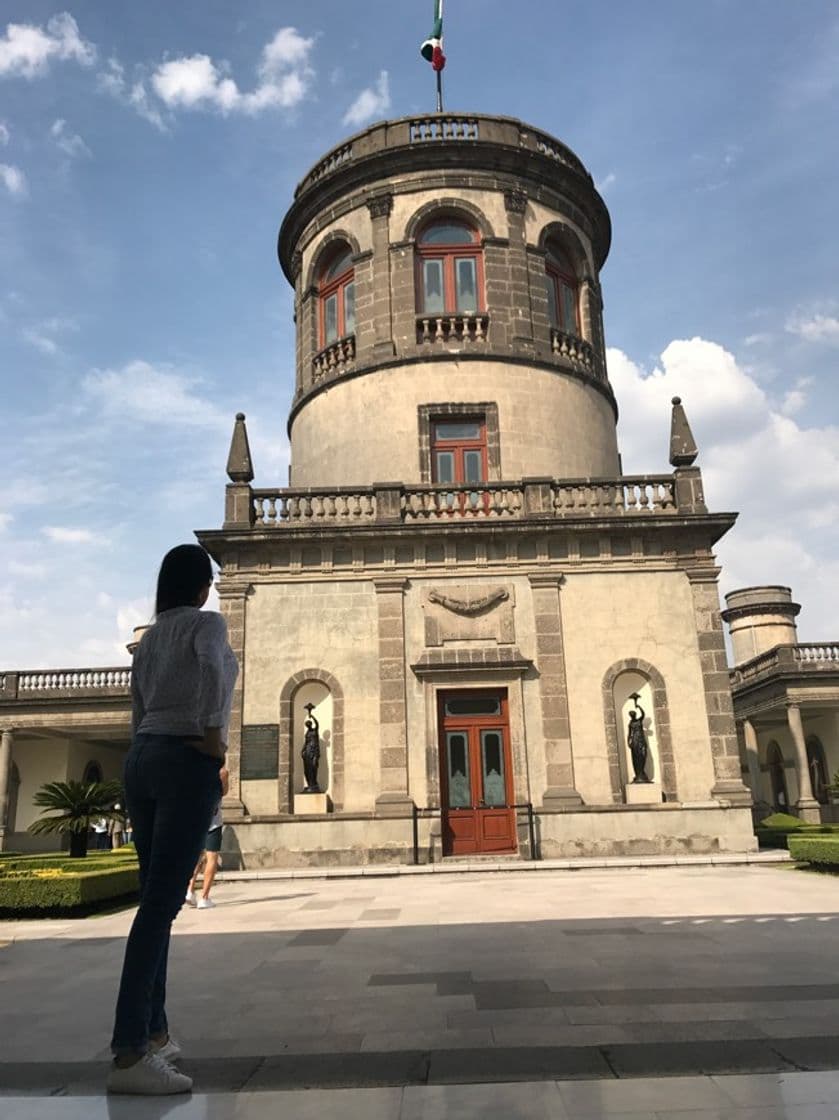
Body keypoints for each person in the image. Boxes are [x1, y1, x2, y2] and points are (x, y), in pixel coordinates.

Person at [107, 544, 238, 1096]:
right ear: (202, 587)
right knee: (160, 907)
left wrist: (148, 741)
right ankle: (130, 1048)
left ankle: (155, 1032)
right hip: (185, 757)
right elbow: (213, 674)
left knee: (153, 901)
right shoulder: (207, 624)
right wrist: (211, 739)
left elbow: (136, 706)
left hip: (143, 757)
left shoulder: (153, 635)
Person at [186, 764, 229, 909]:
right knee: (212, 858)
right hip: (213, 822)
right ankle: (204, 897)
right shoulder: (221, 773)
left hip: (195, 822)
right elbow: (225, 791)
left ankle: (190, 890)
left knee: (196, 857)